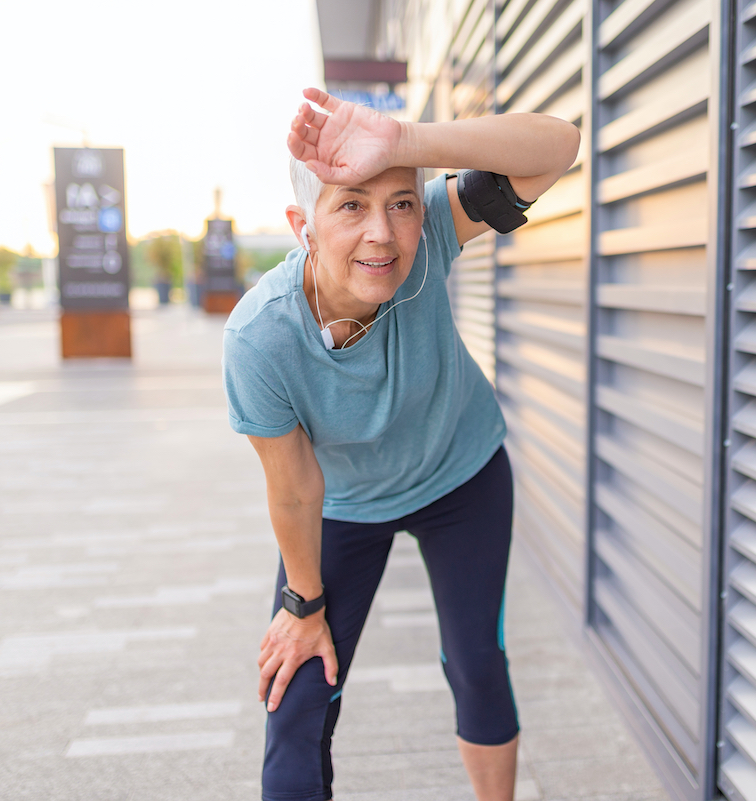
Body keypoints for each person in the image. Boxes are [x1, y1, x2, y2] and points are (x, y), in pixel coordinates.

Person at [222, 87, 579, 801]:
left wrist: (408, 144)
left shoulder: (431, 240)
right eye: (350, 204)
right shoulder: (259, 338)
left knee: (477, 662)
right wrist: (305, 604)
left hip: (461, 476)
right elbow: (294, 488)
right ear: (305, 226)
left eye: (401, 203)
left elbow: (558, 148)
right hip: (345, 506)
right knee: (295, 696)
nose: (382, 234)